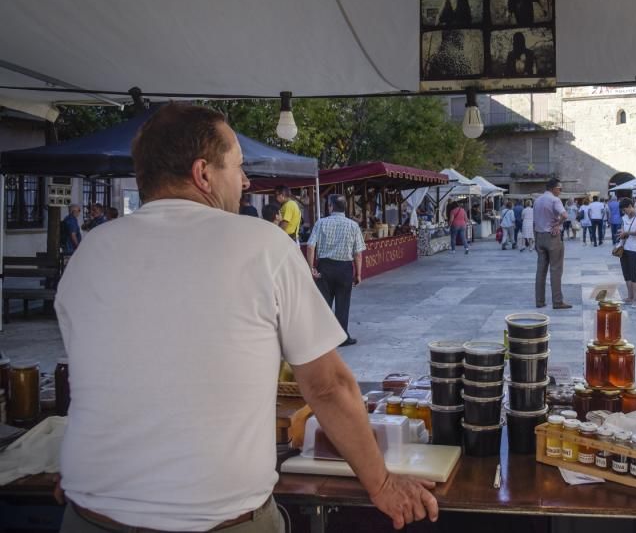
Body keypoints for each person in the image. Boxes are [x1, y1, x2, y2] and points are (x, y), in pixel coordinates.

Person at [54, 103, 436, 532]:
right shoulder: (263, 245)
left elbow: (98, 377)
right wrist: (382, 482)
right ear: (203, 174)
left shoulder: (89, 252)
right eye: (237, 167)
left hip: (89, 517)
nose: (245, 181)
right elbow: (327, 386)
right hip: (219, 522)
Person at [307, 194, 367, 347]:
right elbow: (358, 253)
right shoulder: (353, 225)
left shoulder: (321, 223)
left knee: (324, 304)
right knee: (343, 304)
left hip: (325, 267)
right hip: (344, 268)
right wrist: (358, 273)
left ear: (331, 206)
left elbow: (310, 246)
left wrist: (311, 268)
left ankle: (323, 338)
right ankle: (342, 337)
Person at [534, 178, 571, 309]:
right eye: (559, 188)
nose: (560, 191)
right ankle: (557, 301)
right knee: (556, 269)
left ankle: (539, 301)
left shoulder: (537, 200)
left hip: (539, 236)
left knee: (540, 270)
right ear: (553, 188)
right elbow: (565, 215)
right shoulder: (555, 200)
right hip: (552, 236)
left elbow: (535, 220)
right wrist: (558, 223)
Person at [618, 198, 636, 309]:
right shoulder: (624, 217)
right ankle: (630, 297)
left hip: (634, 249)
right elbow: (622, 230)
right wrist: (621, 234)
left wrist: (627, 232)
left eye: (625, 210)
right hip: (624, 248)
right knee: (627, 274)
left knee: (634, 274)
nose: (624, 212)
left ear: (630, 206)